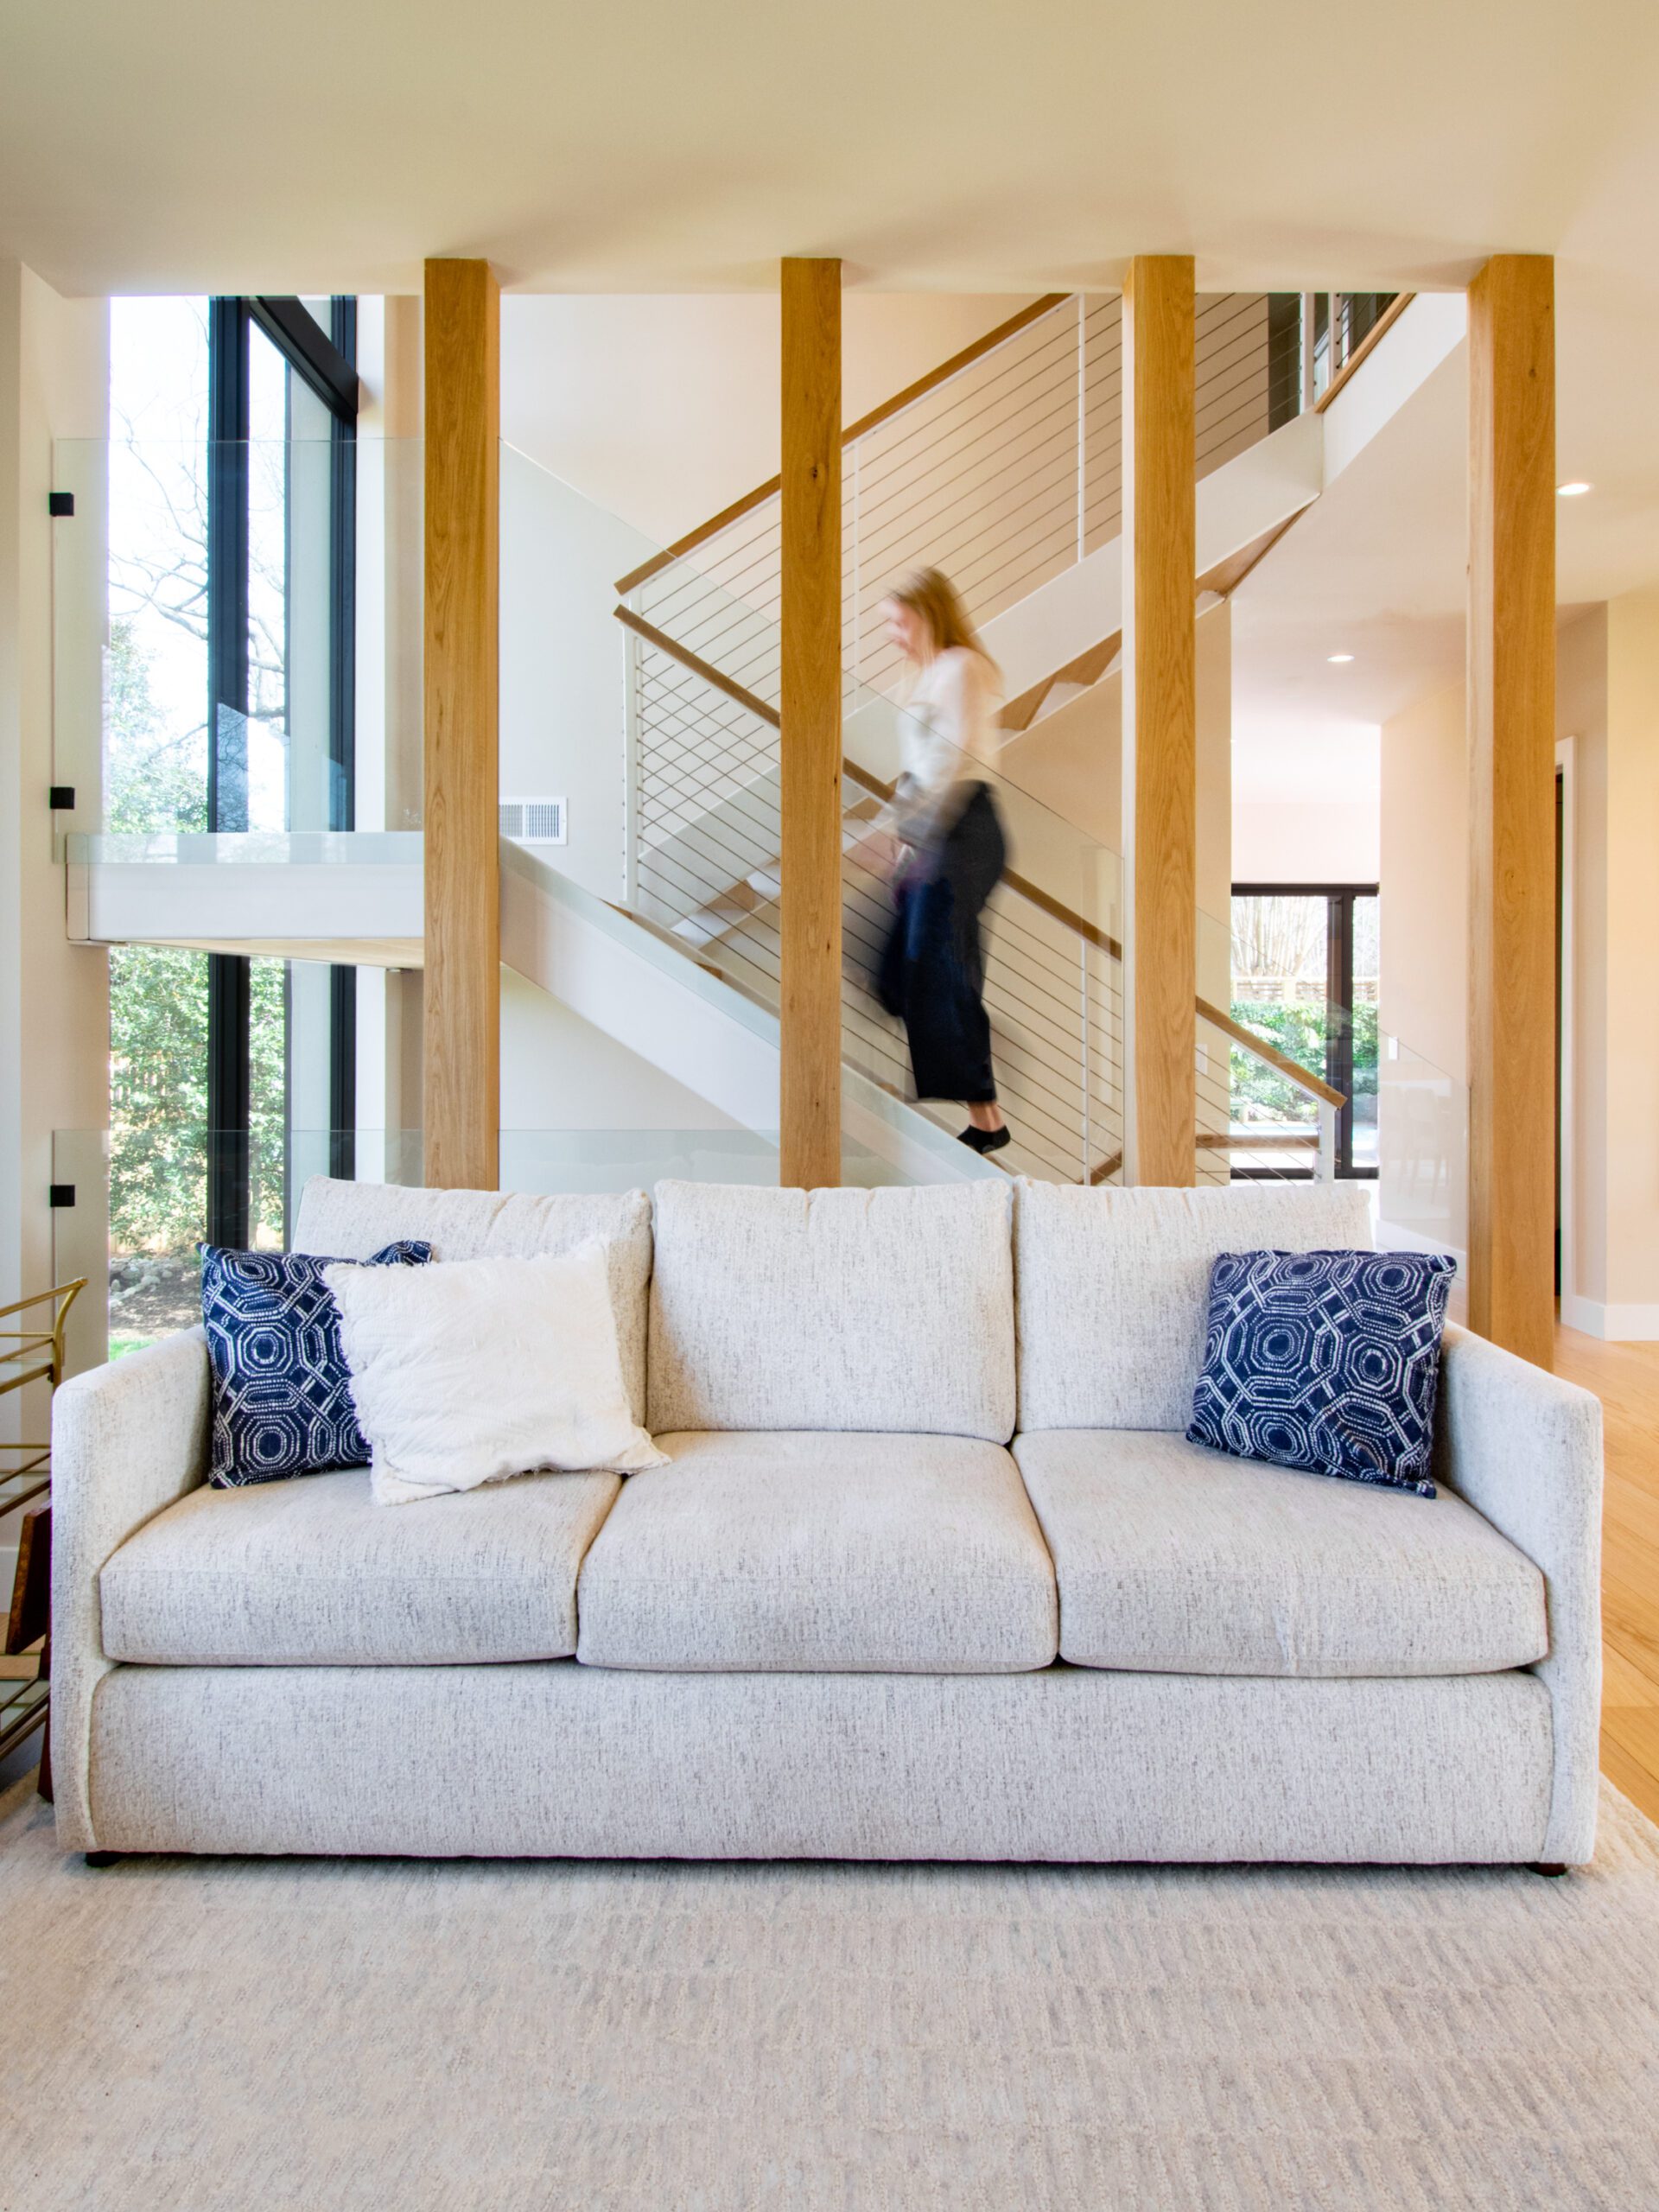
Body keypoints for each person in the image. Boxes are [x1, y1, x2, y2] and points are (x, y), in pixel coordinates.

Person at [872, 568, 1010, 1155]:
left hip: (966, 828)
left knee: (932, 963)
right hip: (935, 833)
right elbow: (919, 771)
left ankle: (986, 1119)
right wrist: (899, 839)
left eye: (898, 622)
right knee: (897, 974)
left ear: (927, 614)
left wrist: (896, 830)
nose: (893, 635)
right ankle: (985, 1093)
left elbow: (948, 762)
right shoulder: (928, 676)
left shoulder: (959, 666)